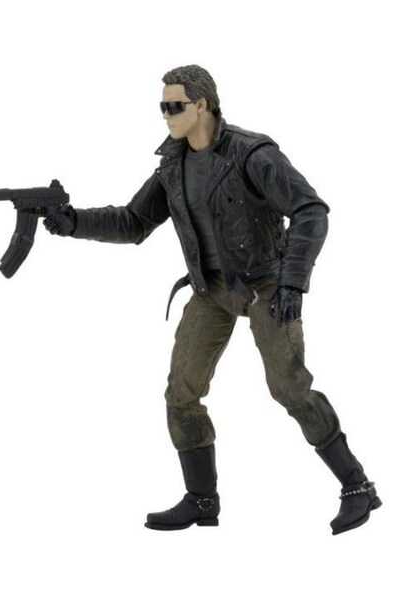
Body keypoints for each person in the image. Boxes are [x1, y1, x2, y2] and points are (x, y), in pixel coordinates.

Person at [43, 64, 381, 535]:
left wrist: (292, 283)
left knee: (289, 387)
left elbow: (311, 210)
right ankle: (202, 499)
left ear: (201, 104)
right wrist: (74, 222)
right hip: (211, 289)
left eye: (174, 106)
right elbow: (133, 221)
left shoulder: (251, 153)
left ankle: (357, 486)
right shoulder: (172, 166)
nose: (165, 115)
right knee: (181, 391)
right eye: (162, 107)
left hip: (266, 284)